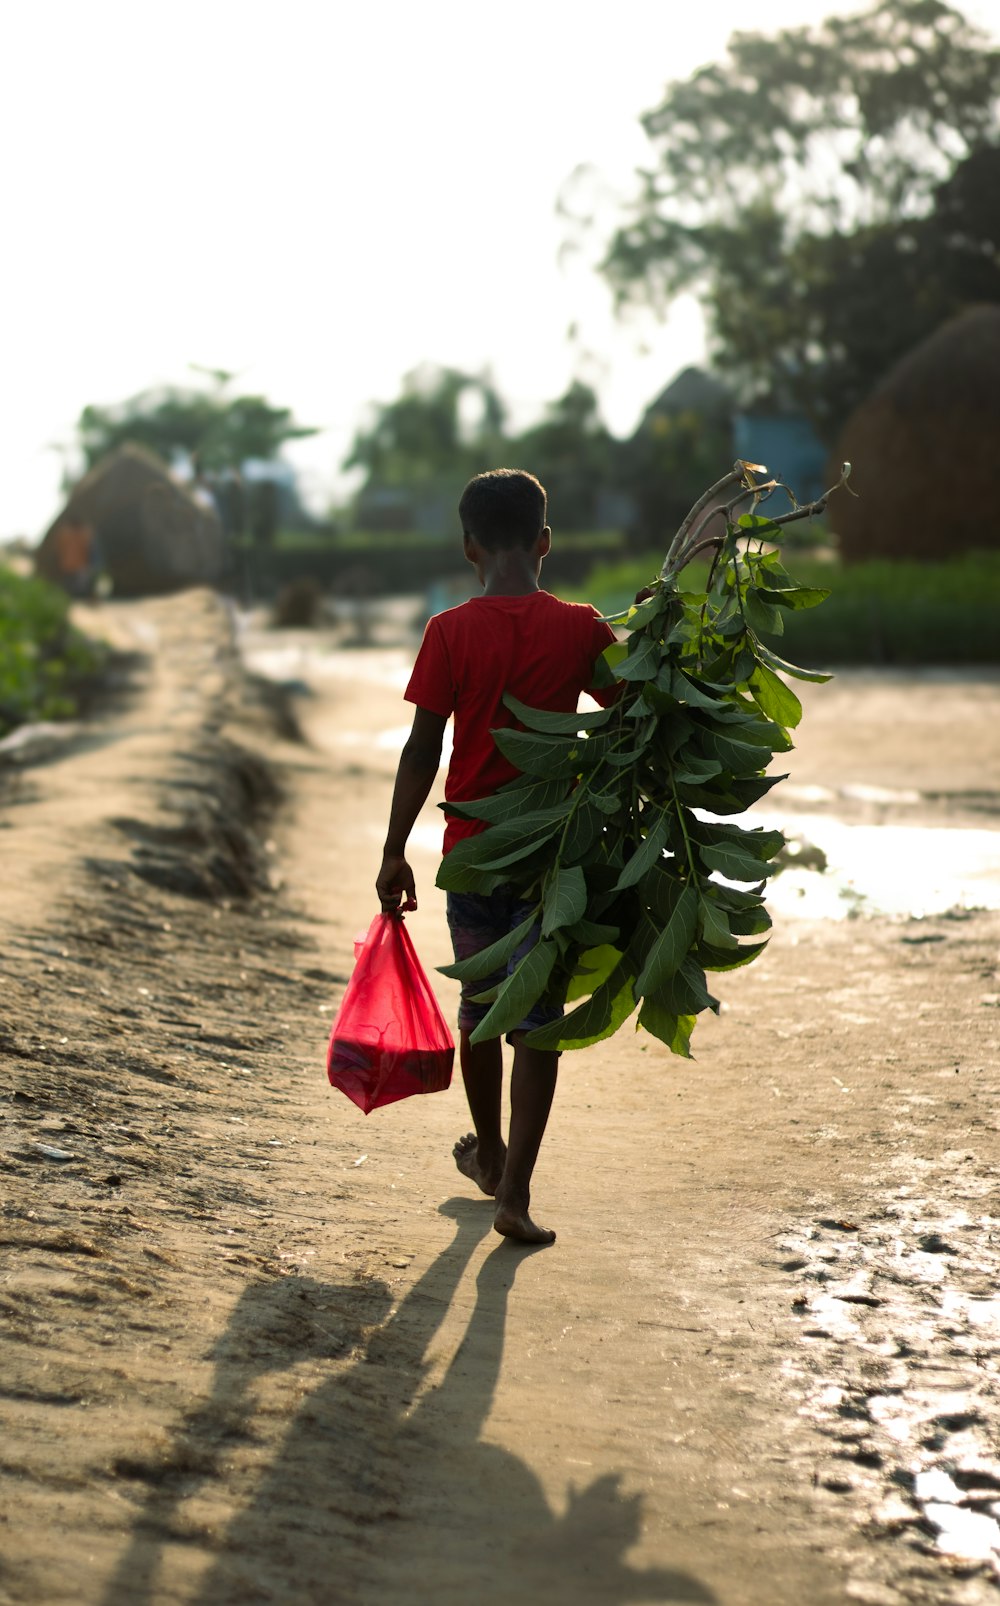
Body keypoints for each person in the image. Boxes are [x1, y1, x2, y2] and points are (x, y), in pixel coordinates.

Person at [376, 469, 616, 1245]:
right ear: (545, 542)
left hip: (474, 854)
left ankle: (491, 1157)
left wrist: (393, 851)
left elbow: (423, 748)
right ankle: (512, 1190)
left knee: (481, 1015)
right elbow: (636, 717)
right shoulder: (581, 629)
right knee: (537, 1024)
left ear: (469, 547)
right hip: (553, 859)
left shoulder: (448, 631)